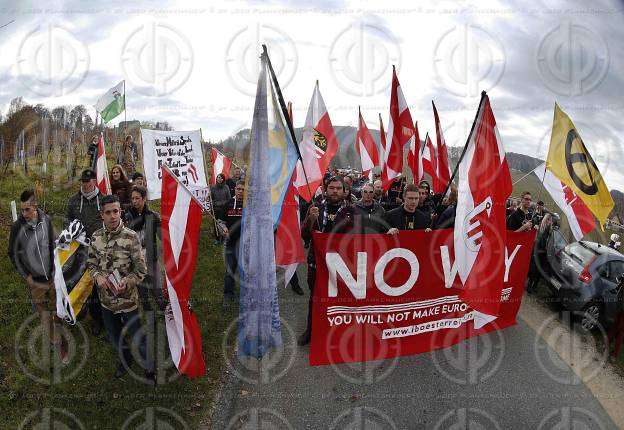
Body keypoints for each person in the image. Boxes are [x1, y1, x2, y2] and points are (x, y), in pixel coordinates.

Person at [86, 194, 154, 381]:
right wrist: (98, 276)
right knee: (116, 337)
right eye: (108, 212)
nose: (112, 216)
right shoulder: (96, 237)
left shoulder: (131, 237)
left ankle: (149, 367)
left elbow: (141, 269)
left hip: (127, 300)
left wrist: (128, 282)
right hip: (106, 301)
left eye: (115, 211)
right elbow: (90, 264)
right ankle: (126, 360)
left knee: (138, 337)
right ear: (102, 215)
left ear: (120, 212)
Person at [9, 190, 68, 363]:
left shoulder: (46, 220)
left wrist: (56, 266)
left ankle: (58, 329)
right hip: (34, 281)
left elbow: (53, 242)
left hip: (51, 275)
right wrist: (25, 274)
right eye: (22, 210)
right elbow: (12, 253)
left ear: (35, 207)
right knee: (43, 314)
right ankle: (58, 344)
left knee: (58, 309)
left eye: (27, 209)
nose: (24, 214)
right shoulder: (17, 227)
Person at [298, 176, 357, 346]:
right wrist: (310, 219)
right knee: (315, 297)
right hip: (317, 262)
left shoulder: (351, 211)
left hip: (341, 264)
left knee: (340, 298)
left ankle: (338, 332)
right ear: (325, 189)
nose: (335, 191)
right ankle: (311, 330)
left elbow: (359, 236)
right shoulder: (316, 207)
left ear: (344, 191)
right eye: (332, 188)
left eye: (338, 188)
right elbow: (305, 235)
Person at [65, 168, 104, 335]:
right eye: (83, 182)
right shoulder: (74, 200)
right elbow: (67, 219)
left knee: (96, 285)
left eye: (88, 182)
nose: (86, 185)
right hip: (79, 251)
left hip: (98, 251)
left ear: (94, 182)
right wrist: (71, 232)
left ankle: (97, 319)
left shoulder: (103, 200)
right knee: (78, 282)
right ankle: (78, 312)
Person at [217, 180, 244, 304]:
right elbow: (221, 221)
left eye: (243, 189)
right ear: (235, 190)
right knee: (229, 272)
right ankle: (228, 295)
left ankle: (248, 295)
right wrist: (224, 229)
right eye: (239, 189)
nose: (241, 191)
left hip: (246, 246)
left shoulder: (251, 205)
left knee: (247, 272)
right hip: (231, 245)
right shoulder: (228, 204)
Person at [526, 213, 553, 294]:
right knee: (534, 271)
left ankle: (534, 287)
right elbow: (538, 241)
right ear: (545, 219)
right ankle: (529, 286)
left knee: (540, 272)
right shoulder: (541, 228)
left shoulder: (550, 231)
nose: (549, 221)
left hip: (543, 254)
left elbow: (549, 242)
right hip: (537, 253)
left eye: (550, 220)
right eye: (548, 219)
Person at [211, 173, 231, 239]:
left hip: (224, 209)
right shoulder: (213, 187)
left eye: (220, 178)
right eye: (217, 177)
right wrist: (209, 196)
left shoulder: (226, 187)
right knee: (216, 224)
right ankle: (217, 238)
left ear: (223, 179)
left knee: (223, 224)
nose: (218, 179)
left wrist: (226, 205)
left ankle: (223, 237)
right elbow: (211, 198)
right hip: (216, 209)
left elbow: (229, 198)